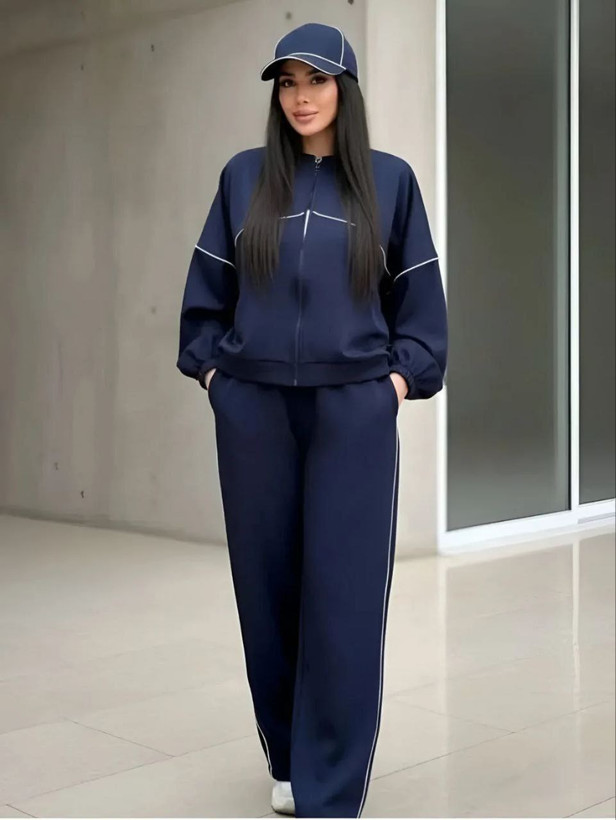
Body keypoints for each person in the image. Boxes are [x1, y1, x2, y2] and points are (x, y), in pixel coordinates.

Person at [177, 21, 448, 819]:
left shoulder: (390, 183)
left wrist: (392, 385)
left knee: (344, 596)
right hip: (254, 411)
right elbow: (204, 302)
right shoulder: (243, 178)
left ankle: (331, 789)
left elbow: (423, 314)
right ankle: (291, 757)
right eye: (288, 83)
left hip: (353, 413)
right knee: (267, 592)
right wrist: (219, 379)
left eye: (317, 80)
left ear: (345, 90)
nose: (301, 97)